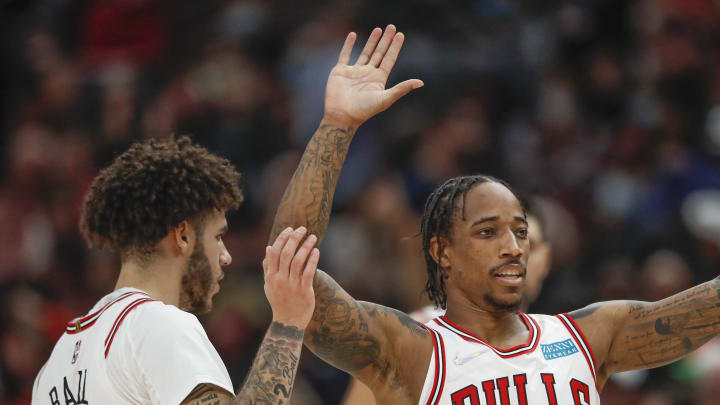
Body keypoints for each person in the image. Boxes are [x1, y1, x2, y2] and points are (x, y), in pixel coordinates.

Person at [270, 25, 720, 404]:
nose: (513, 247)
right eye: (487, 232)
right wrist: (337, 126)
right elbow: (291, 271)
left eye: (521, 232)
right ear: (441, 251)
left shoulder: (587, 337)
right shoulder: (414, 350)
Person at [32, 136, 321, 405]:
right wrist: (288, 324)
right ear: (182, 235)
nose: (226, 256)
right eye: (217, 237)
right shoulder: (158, 325)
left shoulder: (53, 366)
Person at [340, 202, 552, 405]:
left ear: (547, 260)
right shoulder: (412, 340)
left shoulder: (561, 347)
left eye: (528, 245)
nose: (514, 255)